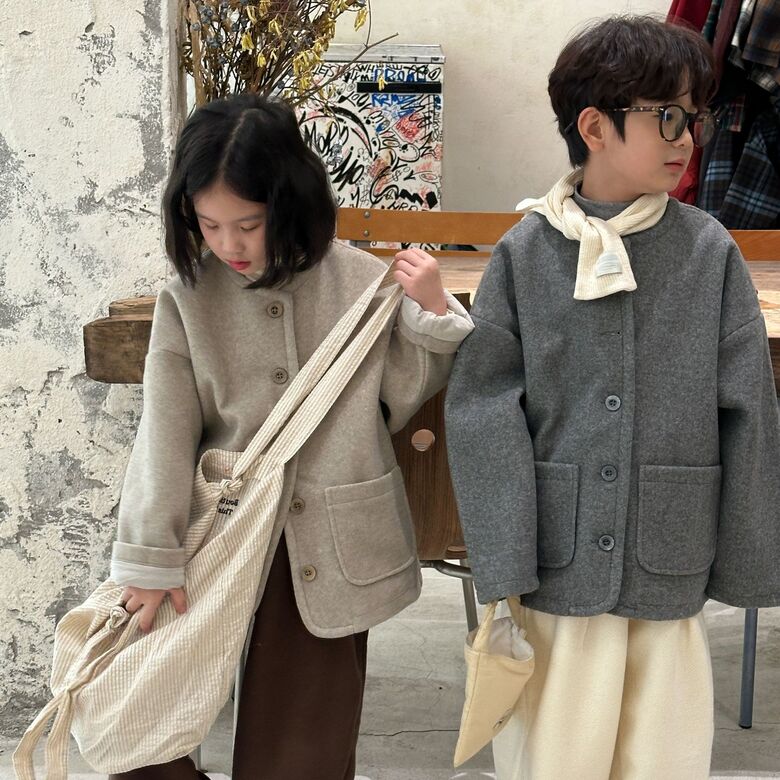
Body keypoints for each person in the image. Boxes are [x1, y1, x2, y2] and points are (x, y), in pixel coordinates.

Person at [445, 15, 780, 780]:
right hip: (555, 561)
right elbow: (483, 411)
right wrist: (504, 559)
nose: (687, 137)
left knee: (663, 753)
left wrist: (749, 564)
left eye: (693, 116)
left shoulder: (707, 250)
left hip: (669, 552)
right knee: (557, 752)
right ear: (594, 126)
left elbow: (749, 412)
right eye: (667, 116)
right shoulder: (525, 253)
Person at [109, 93, 473, 779]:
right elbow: (163, 437)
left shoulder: (362, 283)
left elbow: (397, 398)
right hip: (219, 536)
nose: (229, 245)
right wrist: (150, 559)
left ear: (291, 200)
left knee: (301, 756)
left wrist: (431, 312)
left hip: (330, 537)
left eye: (248, 224)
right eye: (209, 225)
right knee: (135, 729)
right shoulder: (188, 300)